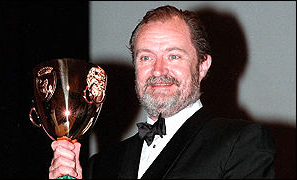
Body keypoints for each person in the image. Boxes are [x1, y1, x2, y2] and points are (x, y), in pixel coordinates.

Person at [49, 5, 276, 179]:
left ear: (202, 65)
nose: (158, 70)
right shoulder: (100, 165)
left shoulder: (241, 143)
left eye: (173, 56)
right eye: (146, 57)